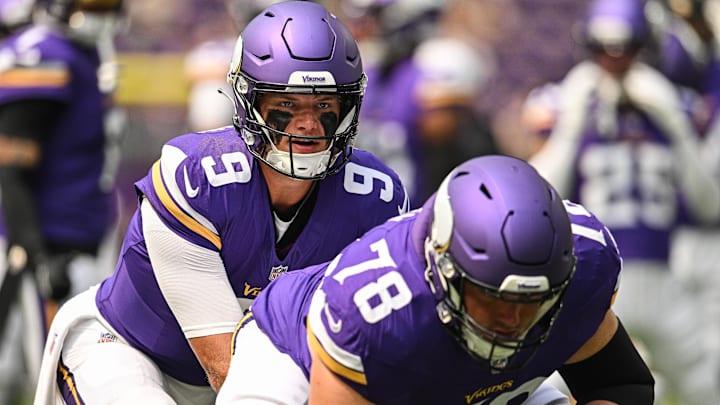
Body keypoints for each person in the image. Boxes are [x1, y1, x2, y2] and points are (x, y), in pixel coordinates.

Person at [33, 1, 408, 404]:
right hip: (128, 351)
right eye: (286, 106)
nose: (308, 125)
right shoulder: (195, 179)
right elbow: (225, 367)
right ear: (250, 103)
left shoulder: (375, 198)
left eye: (324, 105)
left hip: (259, 377)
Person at [216, 155, 654, 405]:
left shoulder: (584, 266)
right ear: (442, 272)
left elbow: (620, 384)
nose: (511, 321)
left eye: (532, 302)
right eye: (491, 299)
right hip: (301, 358)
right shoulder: (372, 313)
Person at [527, 0, 720, 403]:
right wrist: (572, 125)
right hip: (598, 273)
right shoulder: (569, 100)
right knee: (557, 386)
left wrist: (674, 125)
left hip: (668, 277)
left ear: (644, 46)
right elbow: (534, 196)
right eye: (604, 49)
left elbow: (709, 206)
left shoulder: (671, 103)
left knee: (703, 387)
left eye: (625, 48)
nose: (614, 61)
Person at [0, 0, 124, 402]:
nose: (102, 9)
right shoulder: (42, 54)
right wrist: (34, 252)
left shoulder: (87, 50)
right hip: (49, 246)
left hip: (86, 234)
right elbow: (11, 171)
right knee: (47, 381)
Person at [337, 0, 498, 208]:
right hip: (363, 213)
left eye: (376, 15)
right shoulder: (368, 71)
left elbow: (446, 136)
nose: (363, 26)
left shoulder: (435, 67)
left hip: (417, 217)